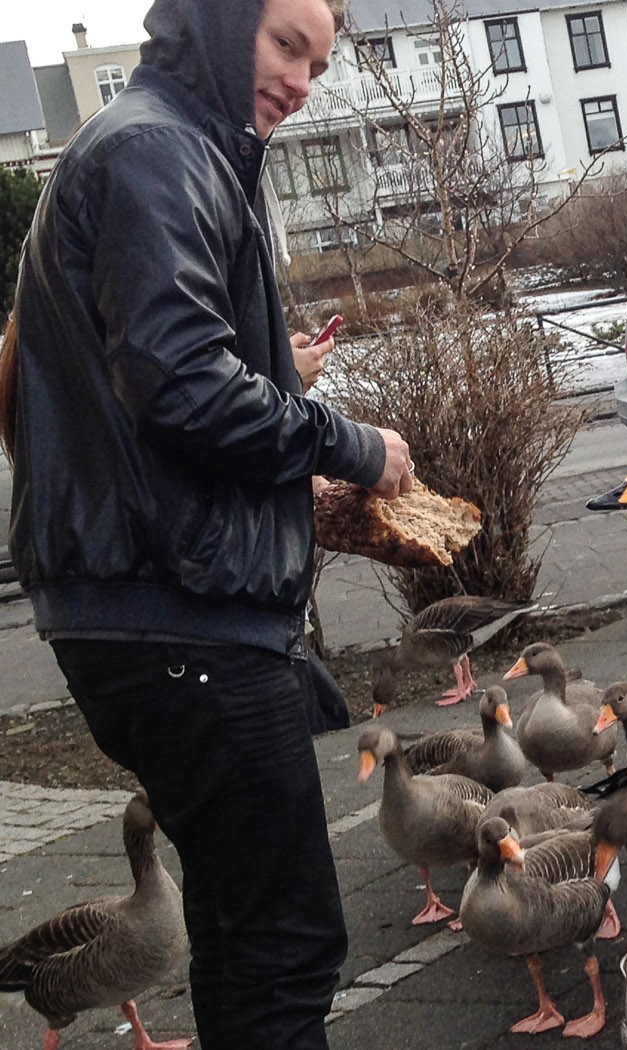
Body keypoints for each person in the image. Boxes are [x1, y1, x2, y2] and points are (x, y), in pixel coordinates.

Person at [0, 0, 412, 1047]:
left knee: (238, 926)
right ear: (221, 23)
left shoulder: (156, 144)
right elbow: (180, 386)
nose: (302, 81)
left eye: (318, 63)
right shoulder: (156, 149)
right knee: (287, 940)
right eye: (286, 45)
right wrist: (351, 444)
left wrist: (280, 428)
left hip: (143, 611)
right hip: (182, 622)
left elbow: (134, 395)